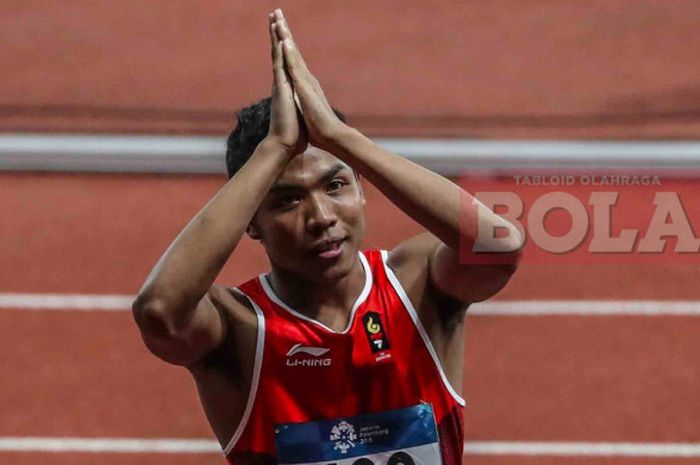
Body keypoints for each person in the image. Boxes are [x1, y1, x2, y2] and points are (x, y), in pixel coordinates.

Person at [132, 8, 522, 465]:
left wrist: (340, 137)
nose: (320, 216)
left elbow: (498, 247)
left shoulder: (416, 286)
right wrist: (274, 149)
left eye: (336, 185)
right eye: (287, 200)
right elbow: (160, 311)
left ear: (362, 187)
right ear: (249, 222)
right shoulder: (237, 328)